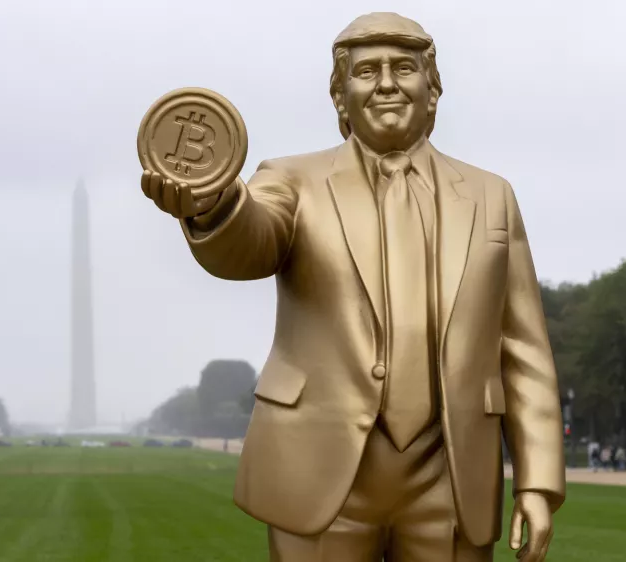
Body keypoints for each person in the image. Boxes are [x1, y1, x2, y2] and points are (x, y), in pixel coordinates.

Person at [140, 12, 564, 561]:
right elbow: (252, 241)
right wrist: (214, 202)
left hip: (451, 472)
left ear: (432, 89)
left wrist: (538, 480)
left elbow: (523, 347)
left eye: (404, 69)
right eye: (367, 72)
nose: (387, 83)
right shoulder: (291, 180)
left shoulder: (492, 196)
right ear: (340, 98)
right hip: (319, 466)